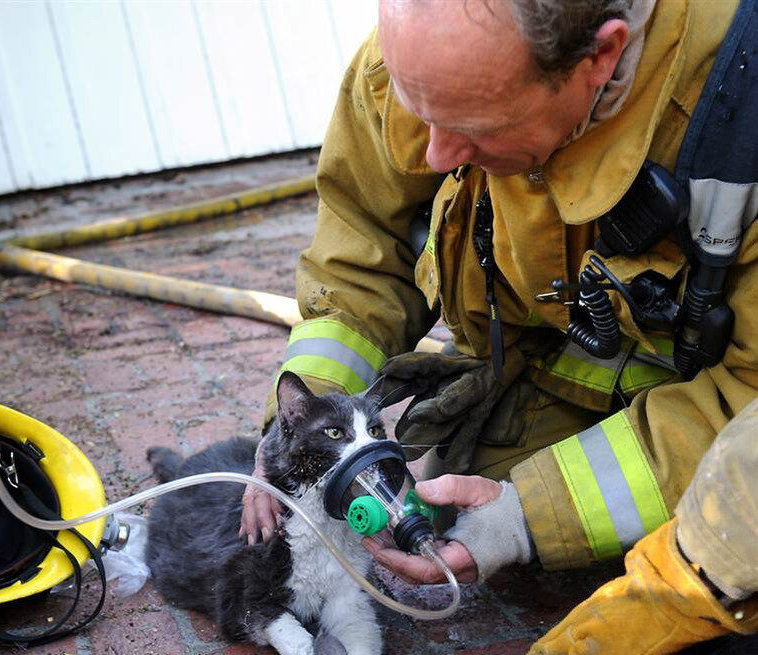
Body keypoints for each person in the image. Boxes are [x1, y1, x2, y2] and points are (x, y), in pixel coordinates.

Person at [240, 1, 756, 605]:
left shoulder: (738, 109)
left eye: (474, 125)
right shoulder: (422, 46)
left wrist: (529, 516)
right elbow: (360, 245)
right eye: (419, 110)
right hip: (540, 364)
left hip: (709, 404)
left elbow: (748, 397)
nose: (435, 156)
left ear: (603, 56)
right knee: (439, 498)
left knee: (721, 557)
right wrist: (297, 427)